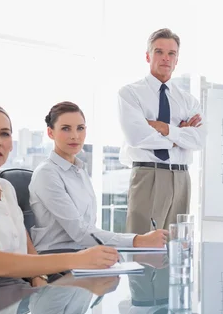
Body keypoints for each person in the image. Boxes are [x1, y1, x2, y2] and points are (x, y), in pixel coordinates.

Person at [0, 103, 119, 294]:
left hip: (16, 292)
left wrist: (39, 278)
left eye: (4, 134)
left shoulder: (5, 188)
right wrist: (80, 259)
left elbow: (27, 246)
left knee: (99, 287)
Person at [29, 101, 167, 252]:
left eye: (80, 128)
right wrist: (138, 240)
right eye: (66, 129)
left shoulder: (79, 170)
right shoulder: (47, 173)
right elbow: (80, 232)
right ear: (50, 133)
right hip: (56, 256)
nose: (75, 136)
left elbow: (89, 228)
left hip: (85, 253)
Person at [118, 28, 206, 234]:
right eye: (159, 52)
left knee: (177, 247)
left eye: (171, 54)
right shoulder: (130, 93)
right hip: (148, 174)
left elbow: (199, 140)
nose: (165, 58)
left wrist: (165, 128)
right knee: (143, 246)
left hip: (182, 177)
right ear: (148, 56)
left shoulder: (188, 100)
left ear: (177, 60)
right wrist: (180, 135)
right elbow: (137, 136)